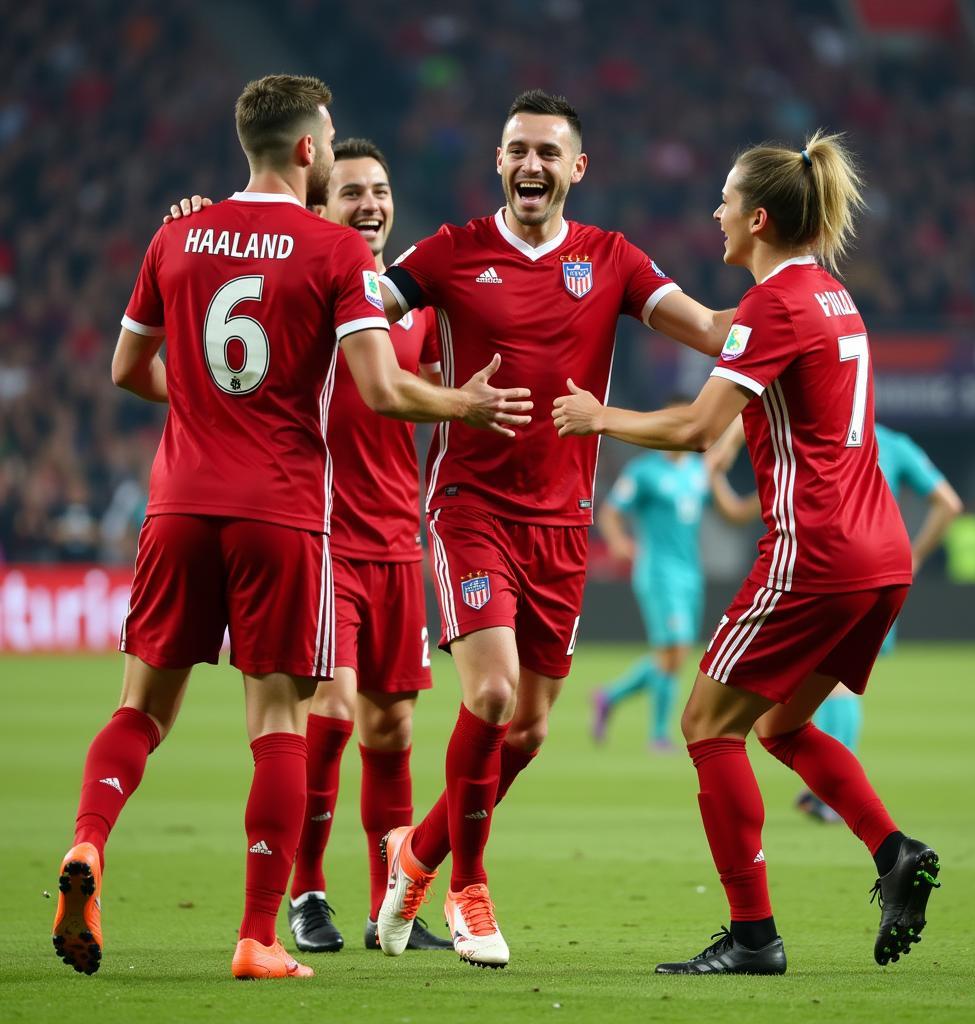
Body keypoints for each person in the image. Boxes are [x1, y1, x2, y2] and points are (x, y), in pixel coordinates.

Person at [51, 74, 531, 981]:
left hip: (177, 502)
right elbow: (385, 390)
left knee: (139, 710)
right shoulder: (333, 252)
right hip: (280, 513)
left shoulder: (175, 234)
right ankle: (258, 935)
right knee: (278, 720)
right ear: (310, 150)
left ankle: (87, 844)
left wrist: (200, 407)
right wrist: (462, 404)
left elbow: (126, 368)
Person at [552, 130, 940, 975]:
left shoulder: (776, 305)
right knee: (780, 722)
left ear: (757, 217)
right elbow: (741, 359)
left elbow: (697, 429)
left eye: (725, 199)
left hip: (818, 552)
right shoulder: (833, 296)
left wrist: (599, 417)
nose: (714, 211)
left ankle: (754, 936)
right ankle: (892, 851)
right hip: (882, 555)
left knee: (704, 725)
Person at [370, 90, 735, 968]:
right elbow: (359, 304)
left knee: (528, 730)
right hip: (469, 507)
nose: (529, 164)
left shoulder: (611, 259)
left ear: (577, 168)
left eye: (546, 151)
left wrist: (801, 289)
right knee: (490, 697)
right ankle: (467, 889)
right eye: (515, 149)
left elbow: (717, 330)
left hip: (562, 524)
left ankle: (416, 854)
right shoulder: (452, 253)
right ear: (499, 162)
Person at [285, 138, 450, 954]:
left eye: (380, 191)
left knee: (393, 731)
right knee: (336, 711)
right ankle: (306, 894)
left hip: (398, 541)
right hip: (321, 535)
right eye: (351, 193)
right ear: (320, 209)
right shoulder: (309, 291)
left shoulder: (417, 306)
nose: (370, 205)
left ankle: (395, 908)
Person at [796, 423, 962, 821]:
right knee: (834, 683)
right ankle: (828, 788)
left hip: (838, 570)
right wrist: (914, 555)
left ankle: (832, 793)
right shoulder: (893, 443)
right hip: (884, 569)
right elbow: (949, 503)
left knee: (832, 683)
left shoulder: (818, 434)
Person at [592, 403, 759, 750]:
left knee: (674, 655)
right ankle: (658, 736)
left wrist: (762, 501)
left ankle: (609, 697)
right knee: (675, 649)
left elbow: (733, 513)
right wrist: (619, 541)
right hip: (657, 572)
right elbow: (610, 512)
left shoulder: (700, 471)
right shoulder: (644, 472)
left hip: (690, 574)